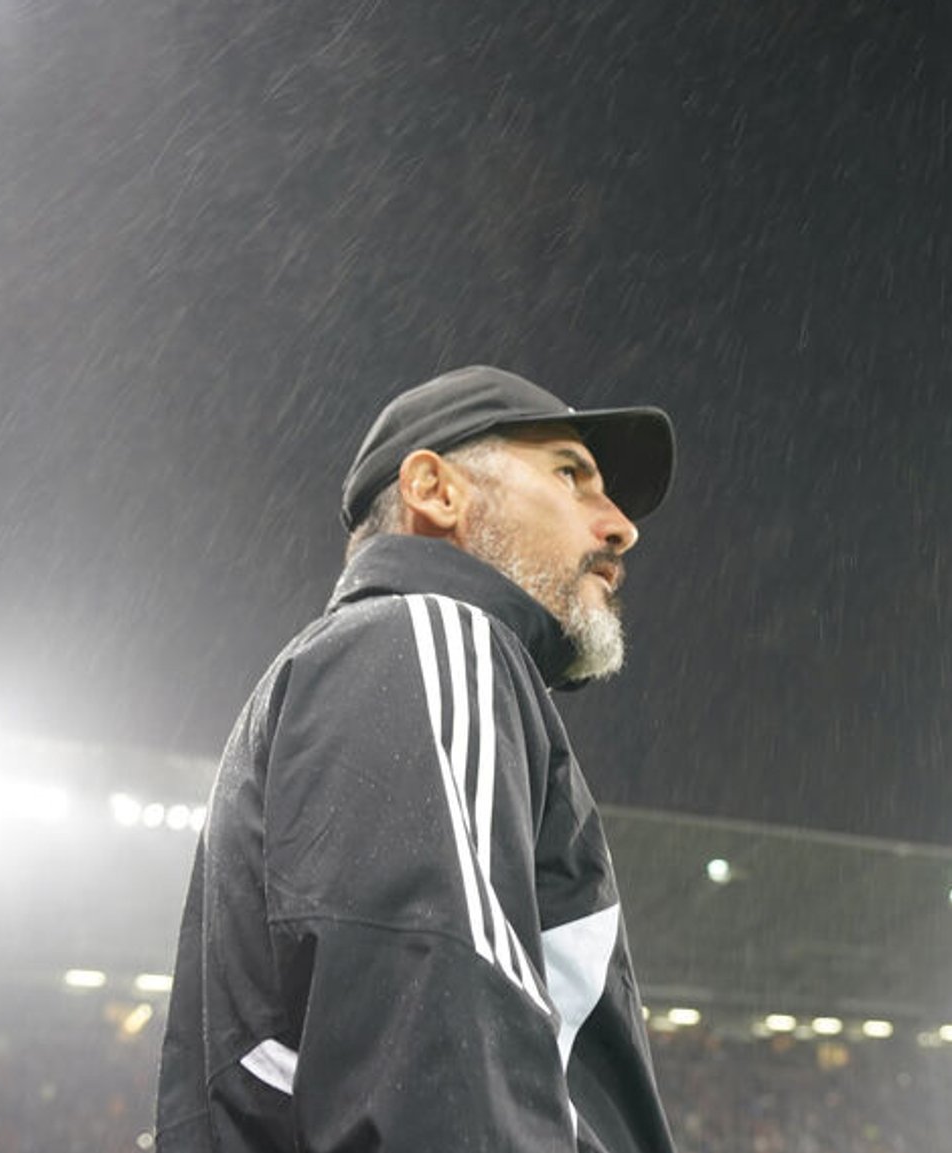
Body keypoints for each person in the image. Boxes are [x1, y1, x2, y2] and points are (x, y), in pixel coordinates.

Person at [155, 365, 680, 1153]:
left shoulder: (382, 659)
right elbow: (446, 1081)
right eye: (572, 473)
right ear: (437, 491)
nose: (620, 526)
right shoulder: (424, 636)